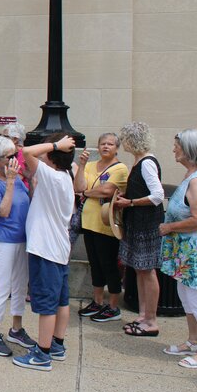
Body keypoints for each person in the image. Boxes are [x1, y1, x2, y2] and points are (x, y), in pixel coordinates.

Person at [12, 134, 76, 371]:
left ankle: (43, 354)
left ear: (52, 155)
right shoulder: (65, 176)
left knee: (46, 304)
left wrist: (57, 145)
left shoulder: (53, 176)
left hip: (45, 249)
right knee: (61, 299)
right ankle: (57, 344)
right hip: (57, 248)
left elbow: (26, 152)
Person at [159, 129, 197, 368]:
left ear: (189, 150)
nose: (174, 149)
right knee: (187, 296)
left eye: (177, 146)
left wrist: (169, 226)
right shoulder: (191, 175)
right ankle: (194, 341)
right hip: (186, 251)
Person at [0, 136, 35, 357]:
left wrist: (26, 178)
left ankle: (16, 328)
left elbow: (26, 200)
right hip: (2, 239)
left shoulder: (17, 176)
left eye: (15, 154)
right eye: (9, 156)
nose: (15, 159)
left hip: (21, 237)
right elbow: (2, 211)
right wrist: (11, 181)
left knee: (21, 284)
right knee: (2, 285)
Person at [115, 122, 164, 336]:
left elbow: (157, 195)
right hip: (138, 223)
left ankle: (151, 320)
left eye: (124, 139)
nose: (122, 143)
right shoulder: (140, 162)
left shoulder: (146, 163)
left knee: (147, 269)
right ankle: (144, 315)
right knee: (140, 269)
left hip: (146, 225)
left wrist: (131, 203)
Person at [74, 133, 129, 323]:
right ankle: (97, 301)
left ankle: (113, 305)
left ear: (116, 148)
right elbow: (78, 186)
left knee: (108, 265)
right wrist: (81, 165)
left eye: (110, 144)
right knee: (95, 264)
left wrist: (87, 192)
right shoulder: (89, 165)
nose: (106, 146)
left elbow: (107, 190)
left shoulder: (120, 168)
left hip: (106, 223)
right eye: (102, 143)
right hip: (88, 222)